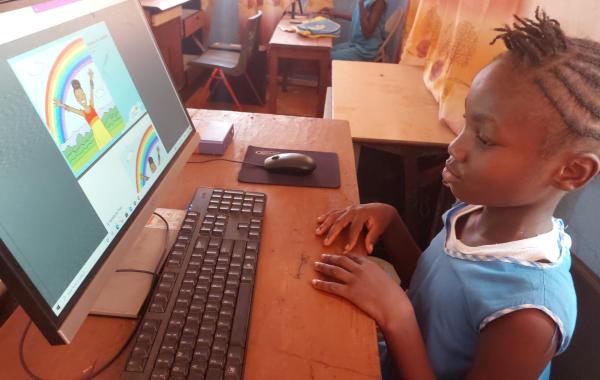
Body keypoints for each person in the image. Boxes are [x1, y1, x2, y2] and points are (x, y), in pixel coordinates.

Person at [311, 8, 599, 379]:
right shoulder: (476, 212)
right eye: (466, 123)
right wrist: (392, 222)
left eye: (483, 137)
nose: (456, 147)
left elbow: (420, 315)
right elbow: (438, 300)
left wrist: (396, 316)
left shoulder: (528, 314)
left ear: (571, 171)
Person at [54, 68, 112, 150]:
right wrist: (61, 105)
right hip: (98, 135)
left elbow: (91, 89)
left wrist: (91, 78)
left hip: (104, 131)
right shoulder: (83, 113)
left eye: (82, 94)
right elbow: (71, 109)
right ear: (77, 100)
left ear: (84, 94)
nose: (81, 97)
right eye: (78, 97)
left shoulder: (91, 105)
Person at [320, 0, 387, 61]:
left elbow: (367, 33)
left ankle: (329, 73)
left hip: (365, 51)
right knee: (325, 52)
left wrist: (361, 4)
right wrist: (336, 14)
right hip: (355, 44)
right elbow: (358, 17)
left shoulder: (379, 2)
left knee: (324, 57)